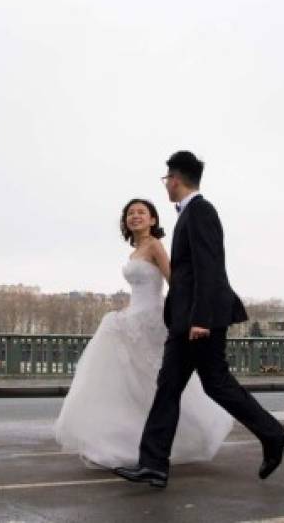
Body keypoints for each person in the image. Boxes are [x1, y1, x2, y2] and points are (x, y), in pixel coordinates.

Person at [113, 151, 284, 489]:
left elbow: (210, 267)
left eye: (167, 179)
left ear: (175, 180)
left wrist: (201, 319)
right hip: (188, 319)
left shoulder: (200, 212)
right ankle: (154, 465)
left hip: (197, 321)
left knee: (207, 384)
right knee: (182, 386)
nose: (166, 185)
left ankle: (272, 434)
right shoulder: (191, 214)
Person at [53, 198, 233, 469]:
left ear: (153, 220)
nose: (135, 216)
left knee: (152, 384)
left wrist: (182, 317)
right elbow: (139, 292)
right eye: (131, 213)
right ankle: (132, 441)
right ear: (125, 221)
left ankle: (159, 442)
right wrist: (126, 312)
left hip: (151, 321)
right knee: (136, 385)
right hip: (134, 317)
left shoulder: (155, 246)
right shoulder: (136, 250)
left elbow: (176, 282)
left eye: (141, 212)